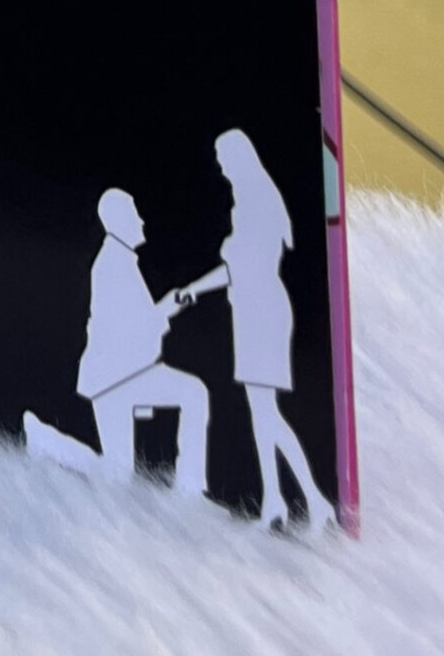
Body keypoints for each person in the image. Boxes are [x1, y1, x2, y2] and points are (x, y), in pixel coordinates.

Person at [175, 129, 337, 529]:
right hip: (253, 309)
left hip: (262, 310)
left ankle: (313, 500)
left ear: (238, 156)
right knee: (261, 412)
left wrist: (195, 288)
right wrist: (194, 289)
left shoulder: (255, 201)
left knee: (266, 412)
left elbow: (242, 267)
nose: (220, 165)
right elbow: (238, 268)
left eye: (223, 156)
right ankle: (276, 500)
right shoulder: (251, 200)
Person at [23, 188, 211, 494]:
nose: (141, 221)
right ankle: (45, 439)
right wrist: (169, 305)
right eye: (134, 213)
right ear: (119, 220)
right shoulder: (113, 265)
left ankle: (190, 489)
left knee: (192, 395)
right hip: (116, 380)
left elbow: (137, 323)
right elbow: (133, 330)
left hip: (125, 376)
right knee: (119, 473)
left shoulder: (120, 261)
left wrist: (169, 305)